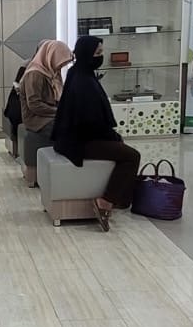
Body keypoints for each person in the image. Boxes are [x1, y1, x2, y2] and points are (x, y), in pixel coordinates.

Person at [52, 34, 141, 230]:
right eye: (97, 53)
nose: (101, 57)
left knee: (120, 147)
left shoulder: (78, 73)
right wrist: (113, 137)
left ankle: (120, 199)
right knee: (131, 156)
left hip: (74, 137)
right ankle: (105, 202)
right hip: (80, 142)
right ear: (86, 53)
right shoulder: (83, 81)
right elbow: (91, 122)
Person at [19, 40, 73, 141]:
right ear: (52, 57)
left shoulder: (53, 72)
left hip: (50, 114)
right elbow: (34, 105)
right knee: (71, 130)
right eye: (60, 62)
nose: (61, 66)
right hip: (37, 119)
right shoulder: (35, 74)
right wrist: (59, 111)